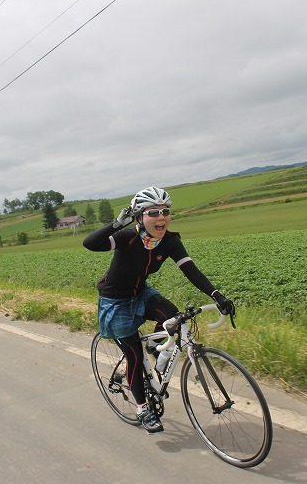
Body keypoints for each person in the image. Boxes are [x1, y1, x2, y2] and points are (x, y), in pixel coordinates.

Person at [83, 186, 235, 434]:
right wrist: (116, 224)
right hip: (115, 301)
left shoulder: (170, 242)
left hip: (141, 294)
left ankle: (157, 352)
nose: (161, 217)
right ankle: (143, 408)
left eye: (165, 211)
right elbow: (89, 243)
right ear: (140, 217)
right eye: (153, 212)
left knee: (176, 318)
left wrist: (217, 295)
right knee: (133, 353)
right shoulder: (127, 237)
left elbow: (191, 271)